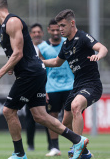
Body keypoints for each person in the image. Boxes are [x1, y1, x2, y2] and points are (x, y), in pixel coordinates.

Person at [0, 0, 90, 159]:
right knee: (40, 116)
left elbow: (18, 53)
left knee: (8, 110)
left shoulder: (12, 22)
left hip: (30, 73)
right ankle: (77, 140)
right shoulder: (0, 28)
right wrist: (11, 68)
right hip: (32, 72)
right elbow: (16, 53)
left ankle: (19, 153)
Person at [42, 9, 108, 159]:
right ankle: (84, 153)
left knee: (76, 106)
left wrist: (98, 55)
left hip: (92, 85)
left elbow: (103, 48)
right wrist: (39, 63)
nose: (60, 30)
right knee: (64, 124)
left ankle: (77, 146)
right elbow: (56, 62)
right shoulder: (65, 45)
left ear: (72, 23)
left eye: (63, 26)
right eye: (58, 26)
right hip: (77, 86)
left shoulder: (83, 37)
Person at [37, 19, 74, 156]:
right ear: (48, 30)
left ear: (61, 29)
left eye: (57, 29)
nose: (55, 32)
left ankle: (76, 145)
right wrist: (43, 89)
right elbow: (41, 70)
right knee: (52, 117)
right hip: (52, 88)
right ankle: (55, 147)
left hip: (70, 86)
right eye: (52, 30)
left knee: (72, 116)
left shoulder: (68, 43)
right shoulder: (42, 47)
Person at [25, 23, 52, 152]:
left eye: (38, 32)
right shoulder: (27, 48)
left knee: (47, 117)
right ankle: (30, 145)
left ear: (42, 33)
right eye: (34, 32)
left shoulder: (46, 48)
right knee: (30, 118)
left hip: (45, 87)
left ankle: (52, 145)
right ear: (30, 34)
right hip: (29, 88)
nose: (36, 34)